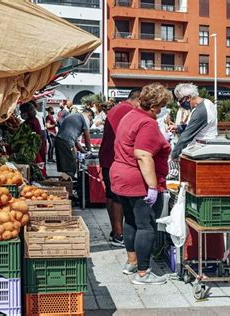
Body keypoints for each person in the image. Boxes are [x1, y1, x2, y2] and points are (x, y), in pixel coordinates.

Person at [110, 83, 172, 285]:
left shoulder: (130, 115)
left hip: (120, 174)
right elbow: (143, 155)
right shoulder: (148, 123)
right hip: (136, 179)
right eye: (161, 106)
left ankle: (132, 262)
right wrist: (153, 187)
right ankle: (143, 273)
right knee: (146, 226)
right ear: (155, 105)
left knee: (130, 221)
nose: (161, 110)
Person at [99, 88, 141, 247]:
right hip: (114, 159)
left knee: (111, 195)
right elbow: (126, 136)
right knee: (116, 197)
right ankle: (118, 233)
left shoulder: (119, 108)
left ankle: (115, 231)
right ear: (138, 99)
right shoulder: (127, 110)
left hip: (109, 158)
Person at [171, 83, 217, 159]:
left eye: (180, 101)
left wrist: (173, 156)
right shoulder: (207, 103)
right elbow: (198, 126)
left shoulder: (200, 111)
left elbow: (185, 138)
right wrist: (179, 128)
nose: (180, 104)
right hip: (203, 148)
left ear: (188, 97)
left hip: (201, 151)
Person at [55, 109, 93, 179]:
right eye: (91, 119)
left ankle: (65, 183)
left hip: (59, 140)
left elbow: (74, 139)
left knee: (65, 167)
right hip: (66, 142)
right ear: (89, 115)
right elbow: (87, 136)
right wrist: (90, 150)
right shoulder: (85, 119)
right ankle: (67, 185)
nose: (90, 121)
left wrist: (83, 151)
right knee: (71, 167)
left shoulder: (74, 116)